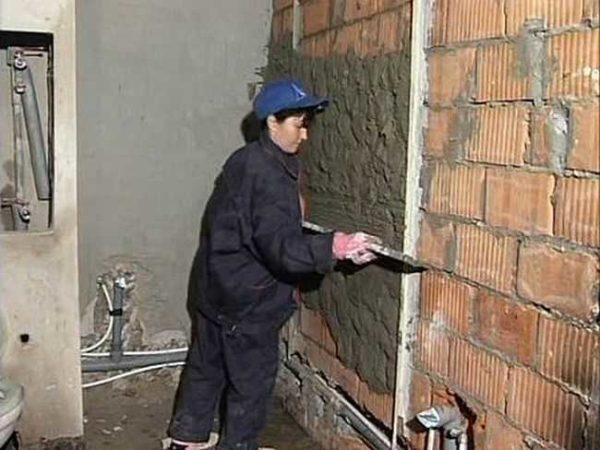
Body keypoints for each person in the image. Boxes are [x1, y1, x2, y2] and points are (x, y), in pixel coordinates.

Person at [167, 79, 380, 450]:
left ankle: (186, 438)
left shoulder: (245, 159)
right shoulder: (268, 175)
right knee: (251, 386)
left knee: (206, 368)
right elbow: (280, 249)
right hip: (246, 302)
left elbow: (256, 230)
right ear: (272, 122)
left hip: (216, 288)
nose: (305, 135)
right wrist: (337, 246)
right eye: (299, 124)